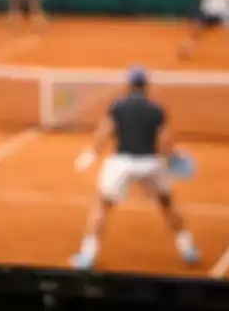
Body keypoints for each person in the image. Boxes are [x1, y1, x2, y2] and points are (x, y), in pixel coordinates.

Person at [68, 66, 200, 271]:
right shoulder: (157, 110)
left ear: (129, 85)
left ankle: (87, 255)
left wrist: (91, 154)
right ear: (145, 86)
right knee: (167, 204)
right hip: (151, 164)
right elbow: (166, 140)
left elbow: (104, 131)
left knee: (102, 206)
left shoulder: (117, 107)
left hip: (122, 164)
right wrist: (174, 161)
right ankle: (188, 249)